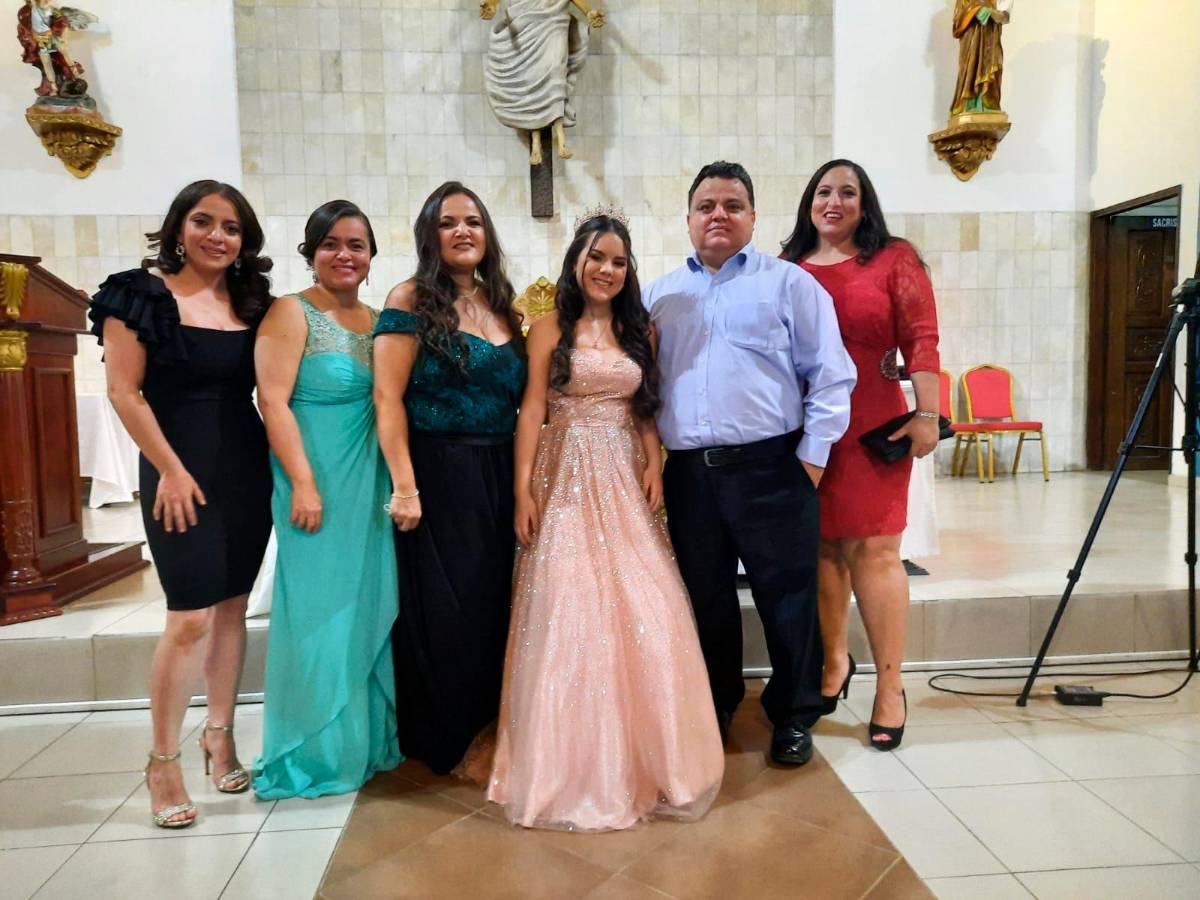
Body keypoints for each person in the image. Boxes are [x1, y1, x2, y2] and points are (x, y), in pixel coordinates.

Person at [487, 211, 724, 831]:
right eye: (597, 258)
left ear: (628, 269)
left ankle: (654, 757)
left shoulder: (639, 328)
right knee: (567, 601)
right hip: (562, 474)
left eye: (618, 261)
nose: (607, 270)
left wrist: (653, 465)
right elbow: (532, 409)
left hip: (623, 472)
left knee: (650, 602)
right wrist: (521, 493)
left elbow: (646, 408)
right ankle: (567, 769)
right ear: (576, 262)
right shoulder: (545, 328)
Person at [644, 161, 856, 767]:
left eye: (733, 205)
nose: (719, 214)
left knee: (787, 597)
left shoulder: (789, 284)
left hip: (773, 468)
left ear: (753, 218)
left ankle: (793, 714)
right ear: (687, 219)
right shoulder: (659, 295)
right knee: (704, 599)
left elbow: (832, 375)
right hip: (689, 474)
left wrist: (810, 461)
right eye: (707, 205)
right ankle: (714, 705)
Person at [89, 180, 273, 827]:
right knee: (188, 617)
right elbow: (124, 392)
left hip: (246, 471)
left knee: (231, 609)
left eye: (231, 227)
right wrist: (168, 468)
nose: (217, 236)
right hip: (176, 474)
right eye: (204, 221)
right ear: (178, 226)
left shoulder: (251, 303)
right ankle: (162, 760)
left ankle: (218, 734)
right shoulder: (137, 295)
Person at [782, 159, 941, 751]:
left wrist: (927, 412)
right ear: (808, 202)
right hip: (806, 428)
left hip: (874, 423)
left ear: (864, 202)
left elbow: (922, 337)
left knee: (875, 550)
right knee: (821, 549)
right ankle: (832, 664)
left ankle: (891, 688)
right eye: (823, 191)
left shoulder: (894, 259)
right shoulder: (786, 268)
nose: (833, 201)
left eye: (847, 192)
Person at [373, 182, 526, 775]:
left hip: (498, 467)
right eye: (448, 223)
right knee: (445, 609)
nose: (463, 232)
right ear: (429, 235)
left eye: (473, 222)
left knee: (493, 604)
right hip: (438, 471)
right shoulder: (410, 298)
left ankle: (488, 727)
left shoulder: (501, 304)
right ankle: (443, 734)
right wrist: (405, 486)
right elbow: (387, 398)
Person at [252, 201, 402, 797]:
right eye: (332, 243)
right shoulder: (291, 312)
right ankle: (308, 749)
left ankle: (361, 744)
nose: (345, 254)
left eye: (357, 244)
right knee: (319, 615)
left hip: (369, 486)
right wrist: (304, 483)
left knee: (365, 606)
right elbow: (273, 400)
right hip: (315, 483)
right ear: (311, 252)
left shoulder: (377, 317)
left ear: (371, 256)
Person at [480, 0, 606, 164]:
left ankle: (561, 138)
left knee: (556, 71)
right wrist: (492, 4)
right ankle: (536, 142)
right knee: (534, 78)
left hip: (556, 15)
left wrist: (588, 11)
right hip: (528, 18)